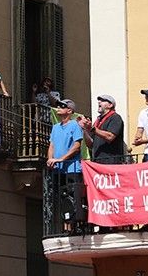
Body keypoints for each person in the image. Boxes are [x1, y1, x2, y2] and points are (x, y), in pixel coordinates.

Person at [48, 98, 84, 231]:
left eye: (62, 106)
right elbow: (51, 145)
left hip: (71, 169)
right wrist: (50, 159)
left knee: (71, 198)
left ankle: (72, 228)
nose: (58, 107)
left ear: (69, 110)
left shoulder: (74, 125)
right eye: (58, 105)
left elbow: (77, 146)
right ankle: (65, 227)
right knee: (61, 199)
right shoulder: (55, 127)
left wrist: (61, 159)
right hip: (58, 171)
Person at [77, 94, 125, 164]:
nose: (99, 102)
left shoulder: (115, 118)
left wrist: (92, 129)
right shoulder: (98, 121)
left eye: (103, 100)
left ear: (110, 105)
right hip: (97, 161)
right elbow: (90, 144)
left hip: (111, 161)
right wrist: (84, 129)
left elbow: (110, 136)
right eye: (99, 100)